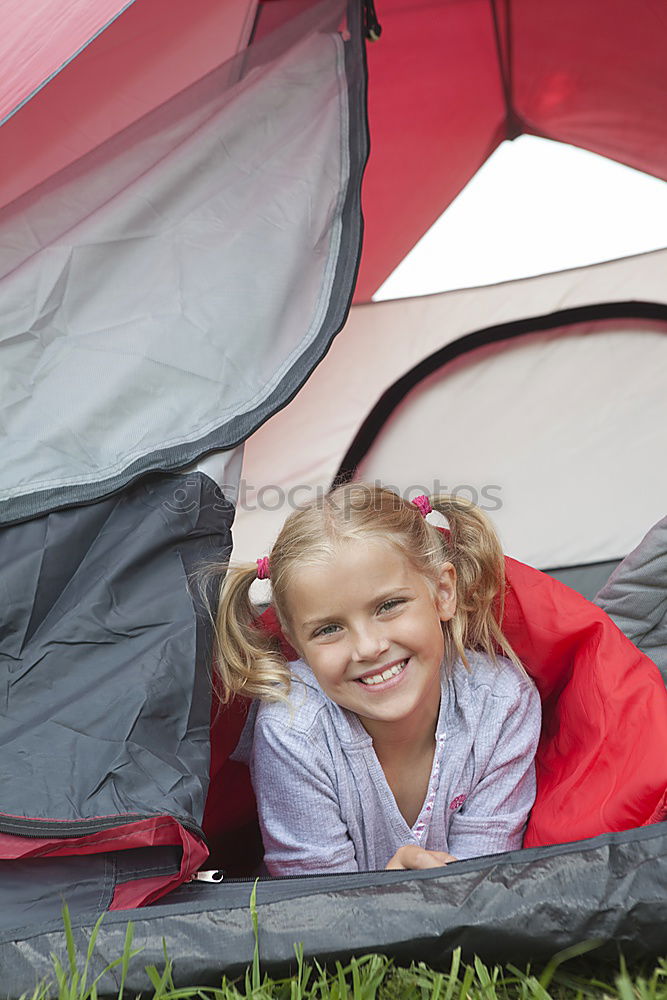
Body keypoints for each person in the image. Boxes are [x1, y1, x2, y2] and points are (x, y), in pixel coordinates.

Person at [211, 483, 542, 875]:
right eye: (329, 629)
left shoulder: (501, 704)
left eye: (388, 606)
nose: (367, 647)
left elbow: (485, 881)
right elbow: (316, 909)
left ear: (442, 592)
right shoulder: (294, 729)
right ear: (294, 642)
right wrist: (386, 891)